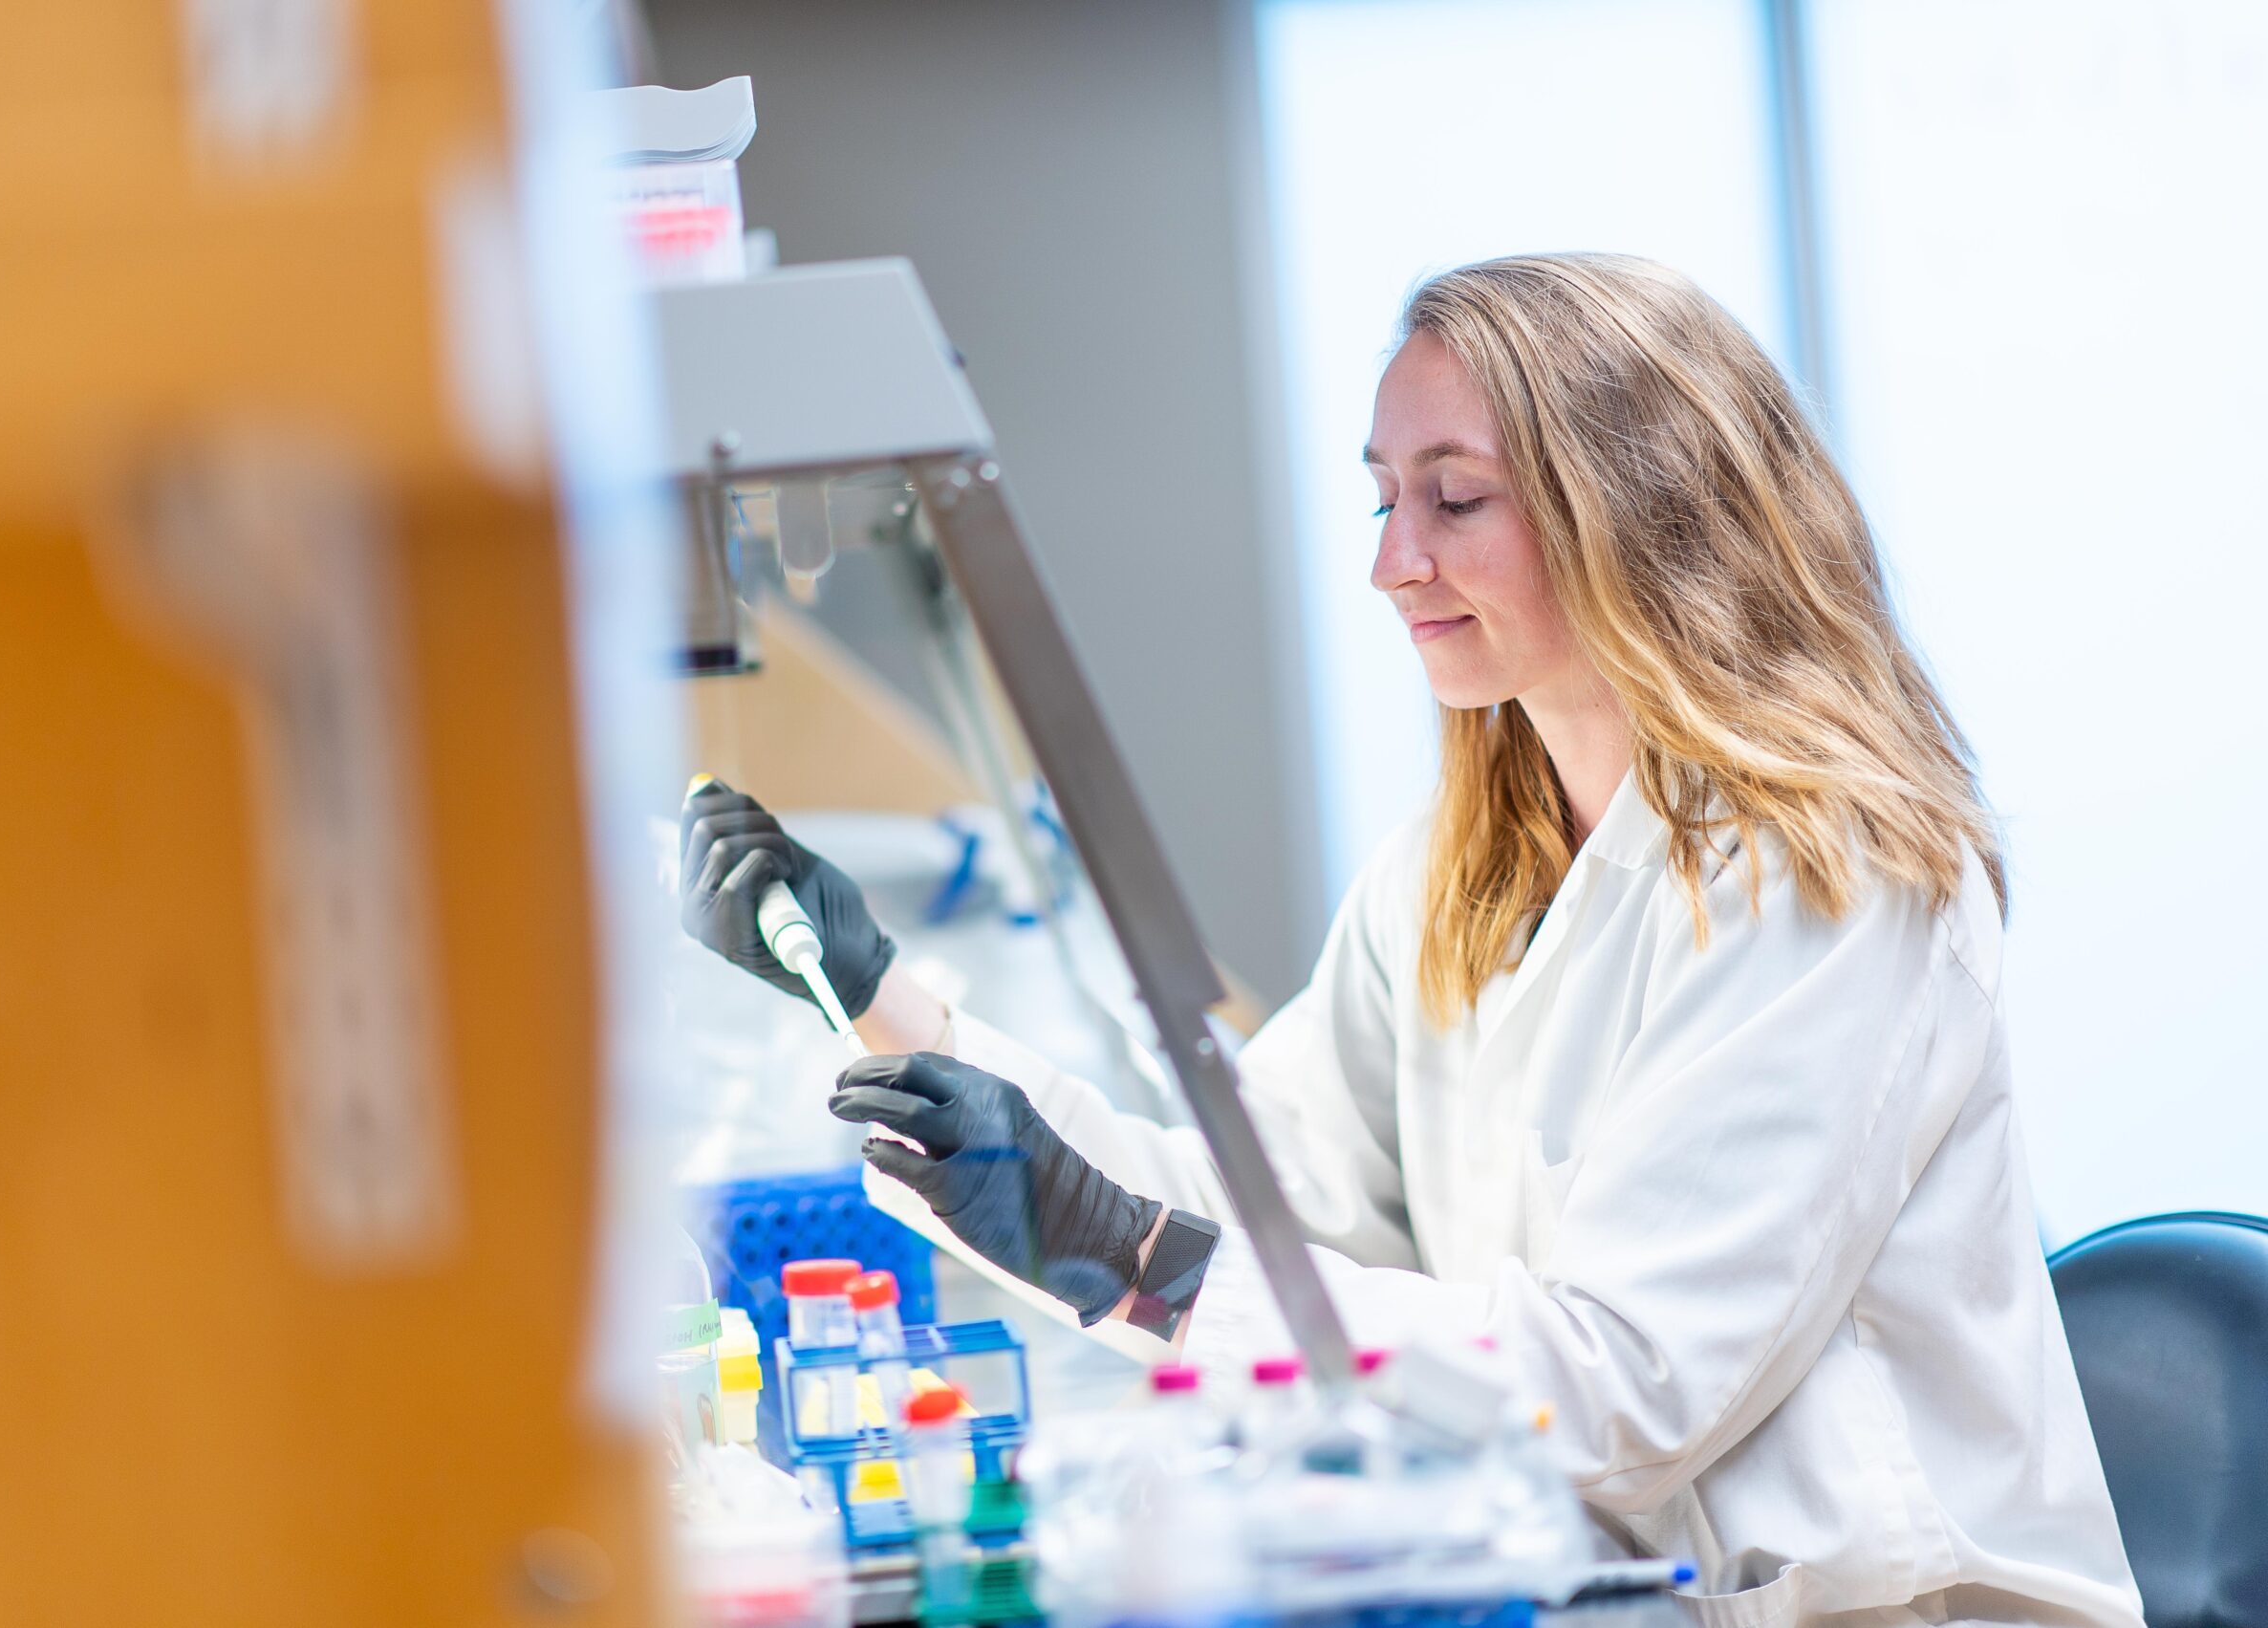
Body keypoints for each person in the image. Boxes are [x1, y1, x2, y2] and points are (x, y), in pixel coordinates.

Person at [679, 254, 2140, 1628]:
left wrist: (1121, 1247)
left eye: (1455, 501)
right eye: (1384, 499)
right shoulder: (1455, 872)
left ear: (1638, 512)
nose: (1393, 562)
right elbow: (1266, 1208)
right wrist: (884, 1004)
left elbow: (1621, 1390)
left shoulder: (1831, 876)